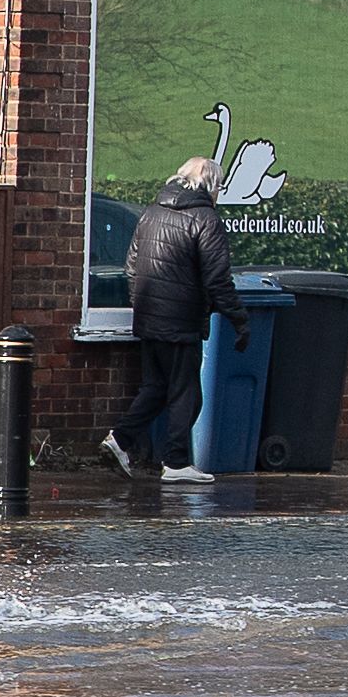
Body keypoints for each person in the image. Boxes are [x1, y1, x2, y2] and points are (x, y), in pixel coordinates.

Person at [111, 159, 229, 484]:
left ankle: (120, 438)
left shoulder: (152, 211)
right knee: (186, 393)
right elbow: (217, 276)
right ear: (211, 185)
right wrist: (238, 317)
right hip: (181, 323)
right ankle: (176, 463)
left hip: (149, 320)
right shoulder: (205, 218)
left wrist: (142, 307)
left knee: (157, 387)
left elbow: (132, 265)